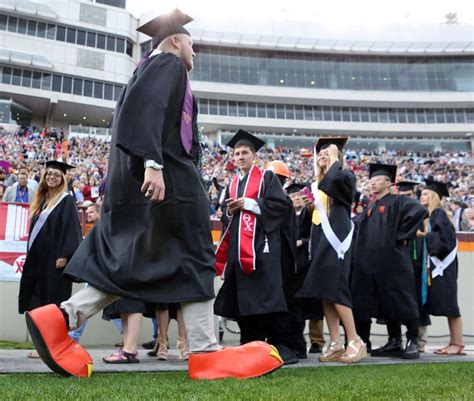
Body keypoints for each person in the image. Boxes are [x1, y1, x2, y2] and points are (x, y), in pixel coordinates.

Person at [24, 10, 282, 380]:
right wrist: (154, 164)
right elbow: (144, 111)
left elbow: (140, 114)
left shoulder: (145, 70)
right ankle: (206, 352)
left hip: (149, 184)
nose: (195, 52)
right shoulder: (168, 64)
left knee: (132, 264)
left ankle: (61, 317)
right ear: (176, 40)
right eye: (192, 44)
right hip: (171, 184)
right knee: (196, 256)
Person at [214, 130, 297, 365]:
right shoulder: (231, 185)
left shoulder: (266, 179)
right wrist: (229, 213)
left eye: (245, 153)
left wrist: (250, 203)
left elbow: (281, 206)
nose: (240, 156)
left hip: (263, 249)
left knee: (269, 297)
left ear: (254, 156)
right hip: (239, 253)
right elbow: (229, 222)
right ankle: (250, 344)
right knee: (244, 298)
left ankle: (282, 346)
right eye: (237, 153)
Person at [297, 137, 367, 363]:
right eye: (321, 153)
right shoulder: (316, 185)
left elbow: (337, 186)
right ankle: (336, 342)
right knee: (326, 292)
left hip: (337, 239)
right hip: (320, 239)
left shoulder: (345, 176)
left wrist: (335, 159)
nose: (323, 155)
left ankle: (355, 340)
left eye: (328, 152)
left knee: (336, 289)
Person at [351, 164, 428, 360]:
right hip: (373, 265)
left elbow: (419, 211)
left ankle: (412, 340)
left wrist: (402, 234)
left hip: (395, 263)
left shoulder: (398, 201)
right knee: (386, 302)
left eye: (377, 180)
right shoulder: (371, 206)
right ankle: (394, 341)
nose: (372, 183)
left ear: (389, 183)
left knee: (403, 299)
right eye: (370, 181)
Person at [18, 161, 82, 357]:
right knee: (37, 300)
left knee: (52, 301)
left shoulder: (66, 200)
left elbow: (71, 228)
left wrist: (64, 255)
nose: (52, 177)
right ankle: (42, 346)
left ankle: (52, 345)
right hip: (38, 260)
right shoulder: (43, 200)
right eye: (49, 174)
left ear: (62, 178)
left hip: (54, 259)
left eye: (56, 174)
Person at [419, 180, 466, 356]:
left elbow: (445, 241)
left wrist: (424, 235)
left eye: (425, 194)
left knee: (451, 306)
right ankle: (455, 343)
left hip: (444, 268)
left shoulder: (438, 213)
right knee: (449, 306)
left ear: (433, 197)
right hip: (443, 267)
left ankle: (457, 343)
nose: (421, 197)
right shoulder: (434, 215)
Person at [396, 181, 431, 352]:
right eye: (402, 196)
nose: (406, 199)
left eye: (409, 195)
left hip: (418, 266)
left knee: (418, 302)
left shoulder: (421, 213)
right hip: (400, 265)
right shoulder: (397, 213)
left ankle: (419, 340)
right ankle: (397, 340)